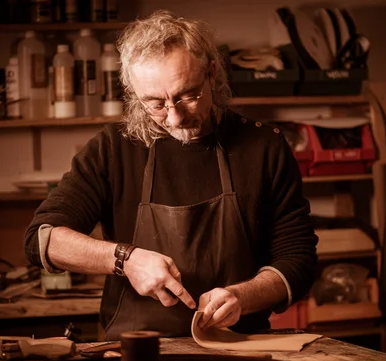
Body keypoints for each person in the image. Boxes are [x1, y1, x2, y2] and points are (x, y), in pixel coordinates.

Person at [24, 10, 318, 340]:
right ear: (133, 92)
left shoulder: (264, 147)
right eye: (155, 103)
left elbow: (299, 260)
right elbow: (42, 240)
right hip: (136, 351)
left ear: (212, 72)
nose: (174, 117)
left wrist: (243, 297)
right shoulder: (113, 149)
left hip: (241, 348)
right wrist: (125, 259)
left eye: (187, 95)